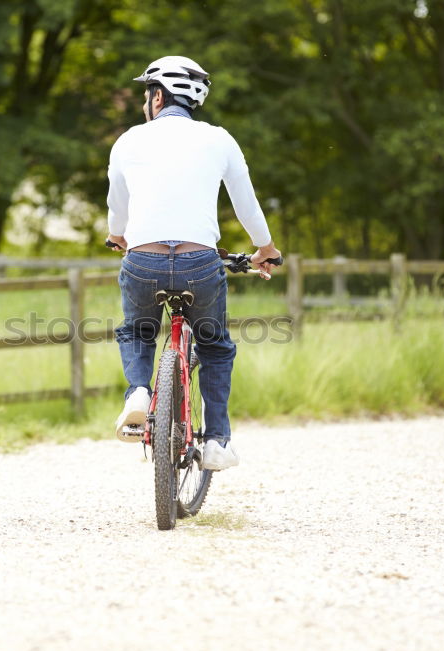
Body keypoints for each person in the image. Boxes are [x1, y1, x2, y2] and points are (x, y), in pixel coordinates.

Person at [106, 56, 282, 471]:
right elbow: (247, 204)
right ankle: (218, 441)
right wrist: (265, 248)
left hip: (142, 260)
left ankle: (137, 392)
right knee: (216, 345)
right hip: (200, 263)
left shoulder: (129, 140)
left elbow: (117, 205)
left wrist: (119, 235)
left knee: (137, 329)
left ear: (159, 95)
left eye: (146, 94)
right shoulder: (220, 139)